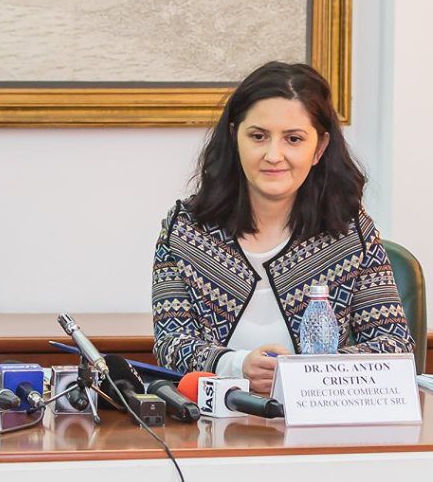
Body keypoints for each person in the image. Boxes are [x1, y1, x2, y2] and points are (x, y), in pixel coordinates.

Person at [151, 61, 411, 391]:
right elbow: (171, 345)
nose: (274, 155)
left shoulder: (350, 232)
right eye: (258, 136)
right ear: (234, 137)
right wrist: (235, 365)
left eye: (293, 139)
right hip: (214, 416)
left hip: (319, 415)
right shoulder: (185, 230)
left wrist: (302, 371)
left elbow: (393, 346)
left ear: (319, 148)